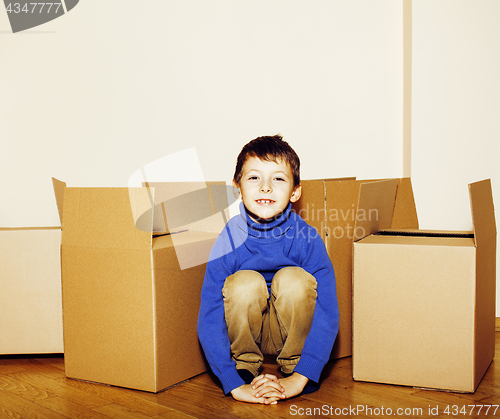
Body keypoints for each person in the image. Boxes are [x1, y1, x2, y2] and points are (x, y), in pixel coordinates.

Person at [197, 134, 339, 404]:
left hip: (292, 334)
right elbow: (210, 312)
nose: (265, 188)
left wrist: (302, 375)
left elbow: (327, 310)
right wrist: (231, 381)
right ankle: (246, 367)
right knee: (244, 283)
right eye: (254, 178)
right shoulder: (228, 239)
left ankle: (294, 365)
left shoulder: (307, 238)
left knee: (294, 279)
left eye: (278, 178)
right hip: (247, 336)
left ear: (295, 191)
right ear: (237, 187)